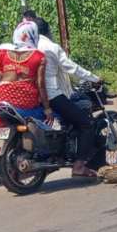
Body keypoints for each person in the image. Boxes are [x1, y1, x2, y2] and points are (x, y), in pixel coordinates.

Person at [35, 17, 101, 178]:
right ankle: (79, 165)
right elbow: (71, 67)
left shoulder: (25, 48)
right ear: (48, 31)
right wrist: (94, 78)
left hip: (32, 96)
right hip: (52, 95)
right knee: (86, 124)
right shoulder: (50, 47)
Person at [0, 20, 49, 122]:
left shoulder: (2, 52)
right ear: (34, 35)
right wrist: (47, 108)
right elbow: (41, 84)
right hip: (26, 104)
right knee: (44, 116)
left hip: (1, 102)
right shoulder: (39, 56)